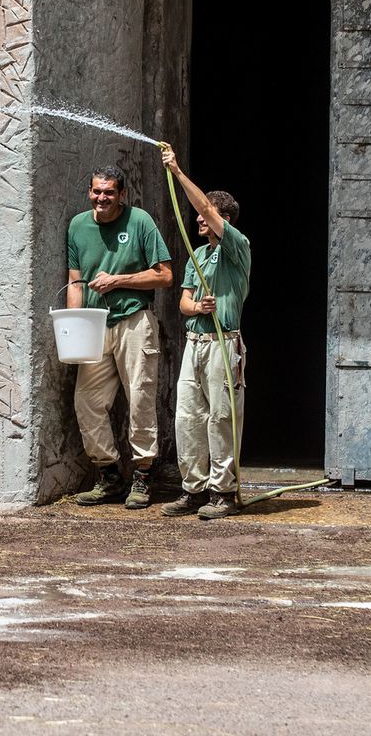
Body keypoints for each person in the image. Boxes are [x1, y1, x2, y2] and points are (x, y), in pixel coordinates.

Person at [66, 165, 174, 509]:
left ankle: (142, 476)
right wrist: (74, 323)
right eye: (97, 191)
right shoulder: (78, 226)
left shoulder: (140, 221)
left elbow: (165, 276)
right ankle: (109, 475)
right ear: (89, 191)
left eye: (109, 192)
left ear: (122, 195)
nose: (102, 198)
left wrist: (117, 280)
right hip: (94, 324)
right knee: (87, 401)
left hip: (134, 320)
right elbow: (75, 280)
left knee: (140, 398)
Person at [159, 144, 251, 521]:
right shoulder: (198, 257)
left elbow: (208, 209)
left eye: (202, 215)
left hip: (222, 345)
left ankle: (223, 492)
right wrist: (198, 308)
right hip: (194, 344)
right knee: (188, 417)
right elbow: (183, 302)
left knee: (221, 417)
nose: (196, 220)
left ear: (221, 219)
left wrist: (178, 172)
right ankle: (193, 489)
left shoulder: (238, 247)